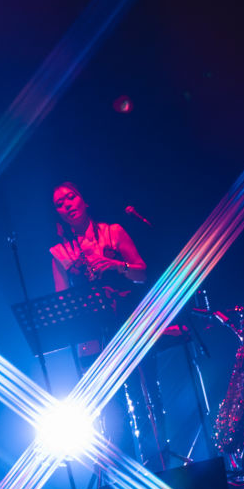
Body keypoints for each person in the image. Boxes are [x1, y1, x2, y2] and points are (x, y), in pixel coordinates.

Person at [47, 182, 166, 468]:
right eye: (60, 203)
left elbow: (142, 275)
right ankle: (127, 471)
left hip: (131, 325)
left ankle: (159, 465)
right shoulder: (59, 252)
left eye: (71, 197)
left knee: (147, 396)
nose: (67, 204)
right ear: (58, 214)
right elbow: (63, 303)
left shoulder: (114, 231)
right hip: (95, 337)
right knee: (113, 409)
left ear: (84, 200)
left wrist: (115, 266)